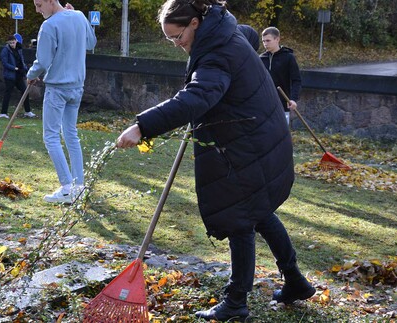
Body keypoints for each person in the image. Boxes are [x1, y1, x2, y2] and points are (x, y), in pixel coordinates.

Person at [116, 0, 315, 321]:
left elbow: (197, 96)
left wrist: (143, 126)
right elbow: (249, 35)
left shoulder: (216, 53)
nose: (177, 45)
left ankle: (236, 302)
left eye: (177, 37)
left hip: (250, 143)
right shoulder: (225, 31)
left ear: (195, 23)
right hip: (259, 135)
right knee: (259, 212)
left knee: (240, 218)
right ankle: (295, 282)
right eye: (170, 39)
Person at [26, 0, 97, 203]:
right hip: (77, 87)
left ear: (51, 1)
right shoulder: (79, 16)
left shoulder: (49, 26)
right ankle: (79, 186)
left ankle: (67, 188)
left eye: (39, 5)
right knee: (70, 134)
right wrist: (76, 15)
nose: (37, 10)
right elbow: (91, 43)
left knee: (51, 137)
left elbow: (43, 61)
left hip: (58, 89)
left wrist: (31, 75)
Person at [260, 27, 302, 125]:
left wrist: (293, 99)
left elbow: (296, 80)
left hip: (282, 105)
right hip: (263, 105)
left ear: (277, 39)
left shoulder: (288, 58)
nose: (265, 44)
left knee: (281, 137)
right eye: (263, 41)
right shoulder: (261, 59)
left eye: (268, 40)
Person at [0, 35, 35, 119]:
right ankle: (3, 113)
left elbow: (21, 60)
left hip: (19, 75)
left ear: (16, 41)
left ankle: (28, 111)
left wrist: (25, 70)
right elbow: (5, 63)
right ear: (7, 43)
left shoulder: (19, 49)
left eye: (13, 42)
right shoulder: (5, 50)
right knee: (8, 93)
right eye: (10, 43)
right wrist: (14, 68)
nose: (12, 44)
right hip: (10, 76)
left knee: (24, 91)